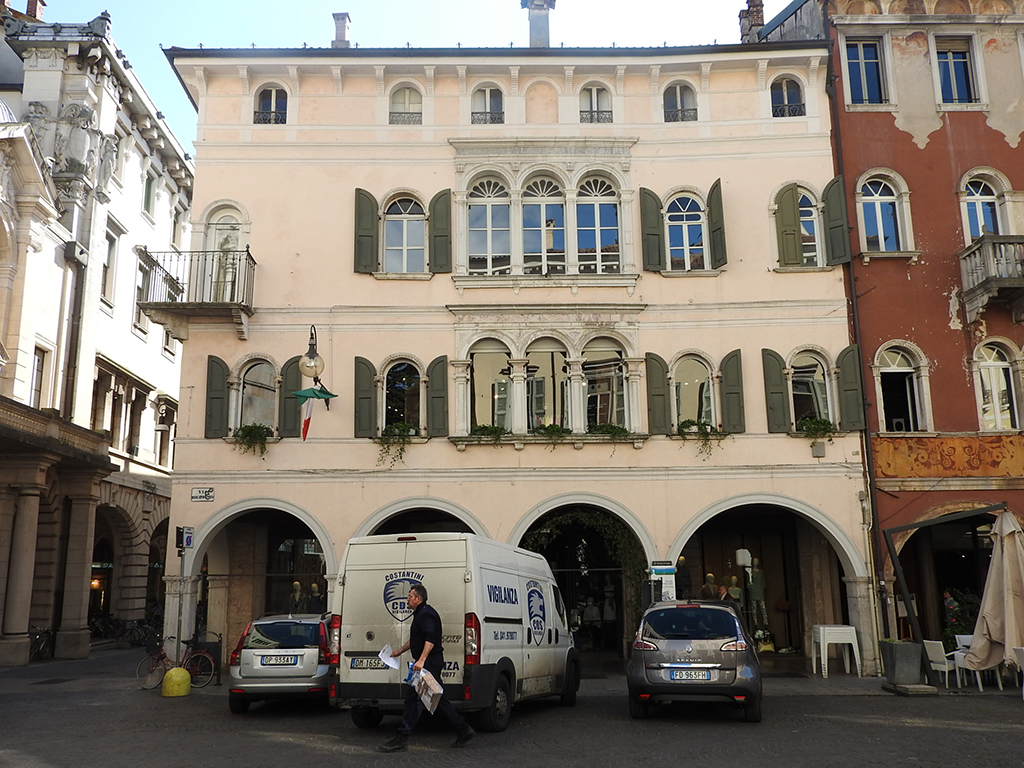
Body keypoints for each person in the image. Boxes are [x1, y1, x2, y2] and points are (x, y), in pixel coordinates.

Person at [378, 584, 475, 752]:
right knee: (438, 699)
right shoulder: (420, 614)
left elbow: (430, 639)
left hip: (429, 663)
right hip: (428, 662)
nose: (407, 599)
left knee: (415, 699)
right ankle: (463, 729)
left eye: (409, 596)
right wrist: (399, 651)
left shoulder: (426, 614)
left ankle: (402, 737)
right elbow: (417, 639)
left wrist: (422, 660)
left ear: (418, 598)